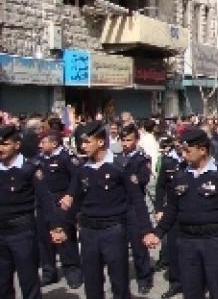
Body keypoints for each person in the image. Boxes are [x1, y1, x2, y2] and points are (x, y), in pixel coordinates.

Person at [144, 128, 218, 299]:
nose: (183, 155)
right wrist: (158, 232)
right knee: (191, 292)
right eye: (181, 150)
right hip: (187, 242)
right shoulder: (179, 174)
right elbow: (172, 208)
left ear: (202, 150)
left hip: (215, 241)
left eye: (187, 150)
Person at [60, 121, 153, 299]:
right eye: (81, 142)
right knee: (92, 281)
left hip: (114, 231)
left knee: (119, 281)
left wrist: (147, 231)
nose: (83, 146)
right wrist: (61, 226)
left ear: (101, 142)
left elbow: (137, 200)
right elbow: (70, 200)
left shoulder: (120, 167)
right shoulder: (82, 169)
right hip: (88, 233)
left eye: (87, 142)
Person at [0, 125, 66, 299]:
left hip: (22, 232)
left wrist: (55, 226)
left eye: (5, 144)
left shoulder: (29, 168)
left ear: (17, 145)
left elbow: (45, 198)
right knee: (2, 283)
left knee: (28, 281)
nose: (1, 148)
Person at [37, 131, 83, 289]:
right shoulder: (40, 157)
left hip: (62, 200)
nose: (40, 145)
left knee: (65, 236)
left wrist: (70, 195)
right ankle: (49, 272)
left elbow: (77, 177)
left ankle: (72, 270)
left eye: (43, 142)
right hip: (44, 201)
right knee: (44, 237)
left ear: (54, 143)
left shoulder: (66, 156)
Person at [114, 123, 155, 294]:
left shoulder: (141, 158)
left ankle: (144, 277)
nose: (125, 143)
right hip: (118, 206)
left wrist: (129, 179)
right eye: (122, 140)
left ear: (136, 140)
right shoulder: (116, 158)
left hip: (135, 206)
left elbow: (142, 179)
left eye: (128, 140)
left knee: (139, 245)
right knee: (118, 246)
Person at [153, 136, 186, 298]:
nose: (181, 146)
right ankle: (176, 282)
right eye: (179, 143)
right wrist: (159, 208)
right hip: (172, 211)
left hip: (189, 212)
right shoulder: (168, 162)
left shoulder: (193, 162)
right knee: (172, 247)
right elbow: (160, 187)